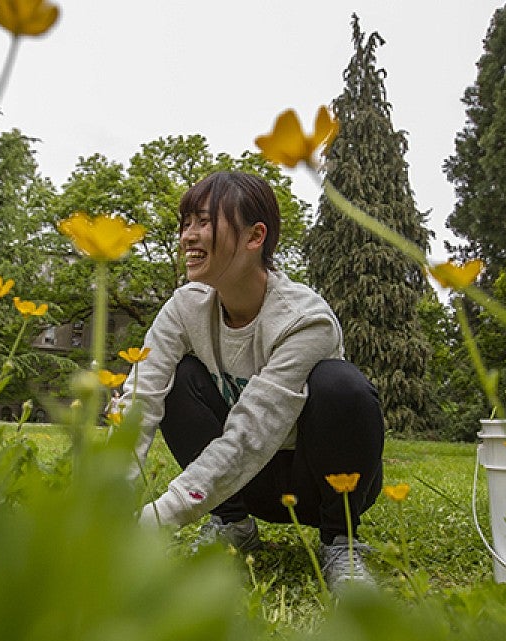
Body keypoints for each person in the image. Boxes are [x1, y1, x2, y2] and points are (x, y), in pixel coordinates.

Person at [121, 171, 384, 590]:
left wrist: (155, 520)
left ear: (254, 236)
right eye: (185, 223)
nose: (188, 236)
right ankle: (233, 524)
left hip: (314, 482)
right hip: (246, 484)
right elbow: (142, 395)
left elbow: (252, 434)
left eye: (203, 222)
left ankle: (341, 542)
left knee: (340, 384)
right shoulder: (184, 307)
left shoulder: (305, 319)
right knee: (178, 376)